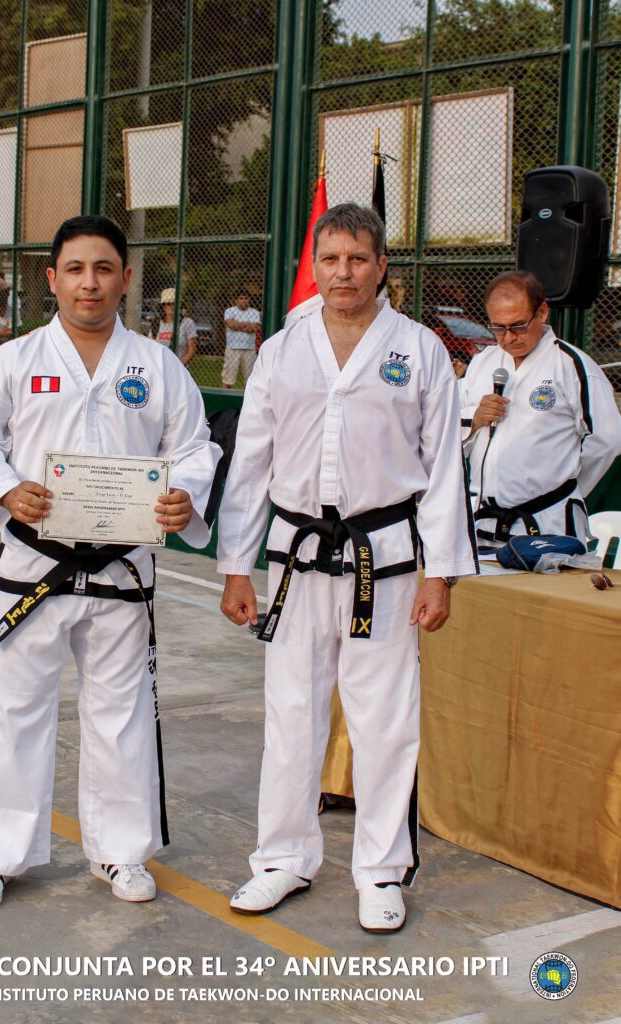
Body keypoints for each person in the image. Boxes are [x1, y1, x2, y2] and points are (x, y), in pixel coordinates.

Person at [0, 215, 220, 911]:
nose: (88, 283)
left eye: (102, 269)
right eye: (74, 269)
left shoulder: (158, 365)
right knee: (12, 709)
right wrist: (7, 490)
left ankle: (120, 851)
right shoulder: (14, 361)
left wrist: (184, 494)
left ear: (125, 279)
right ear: (52, 279)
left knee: (123, 711)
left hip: (123, 567)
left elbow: (195, 447)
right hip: (33, 564)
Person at [217, 203, 478, 932]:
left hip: (383, 558)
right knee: (290, 714)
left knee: (384, 720)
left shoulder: (418, 350)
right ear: (316, 263)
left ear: (381, 265)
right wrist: (235, 565)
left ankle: (381, 869)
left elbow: (442, 468)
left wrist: (440, 572)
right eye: (330, 259)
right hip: (296, 559)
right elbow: (251, 463)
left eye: (358, 259)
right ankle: (282, 858)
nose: (343, 273)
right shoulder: (282, 349)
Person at [460, 270, 621, 547]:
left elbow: (607, 439)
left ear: (542, 312)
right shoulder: (483, 363)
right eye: (498, 328)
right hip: (485, 521)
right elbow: (447, 422)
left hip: (548, 521)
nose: (509, 337)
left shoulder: (571, 365)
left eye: (518, 326)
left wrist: (567, 489)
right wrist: (475, 418)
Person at [222, 290, 261, 387]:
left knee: (250, 381)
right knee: (228, 380)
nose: (243, 301)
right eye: (241, 298)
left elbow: (254, 328)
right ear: (236, 300)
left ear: (249, 299)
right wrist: (247, 324)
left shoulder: (254, 312)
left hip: (249, 349)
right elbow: (231, 325)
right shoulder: (230, 311)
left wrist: (237, 325)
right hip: (232, 348)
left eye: (246, 298)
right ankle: (225, 395)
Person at [152, 287, 198, 367]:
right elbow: (150, 348)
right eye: (168, 304)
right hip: (158, 368)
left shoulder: (187, 323)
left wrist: (177, 367)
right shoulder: (156, 324)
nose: (171, 307)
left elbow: (191, 351)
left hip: (178, 367)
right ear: (163, 307)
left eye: (174, 303)